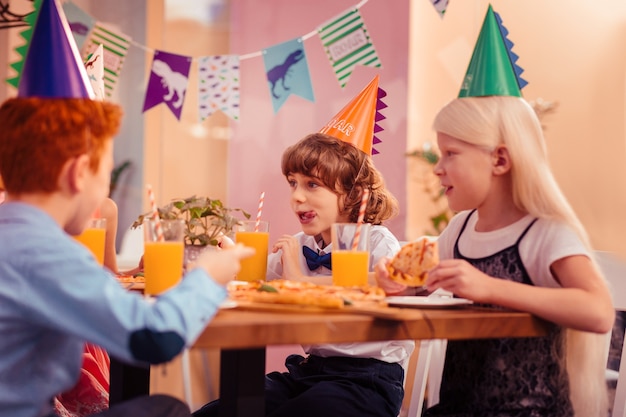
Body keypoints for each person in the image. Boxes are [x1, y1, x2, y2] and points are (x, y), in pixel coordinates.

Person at [0, 97, 254, 417]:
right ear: (79, 173)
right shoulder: (46, 251)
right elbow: (154, 338)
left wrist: (125, 275)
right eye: (106, 174)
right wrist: (208, 276)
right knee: (169, 409)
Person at [377, 96, 614, 417]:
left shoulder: (545, 233)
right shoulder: (460, 229)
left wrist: (489, 288)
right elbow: (424, 284)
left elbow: (598, 312)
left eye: (450, 154)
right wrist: (401, 285)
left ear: (500, 160)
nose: (437, 168)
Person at [193, 133, 414, 417]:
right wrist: (231, 255)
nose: (297, 196)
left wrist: (302, 282)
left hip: (368, 381)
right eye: (293, 184)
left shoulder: (377, 242)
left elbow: (394, 289)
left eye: (312, 185)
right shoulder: (302, 244)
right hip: (309, 372)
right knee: (224, 410)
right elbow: (255, 277)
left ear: (353, 194)